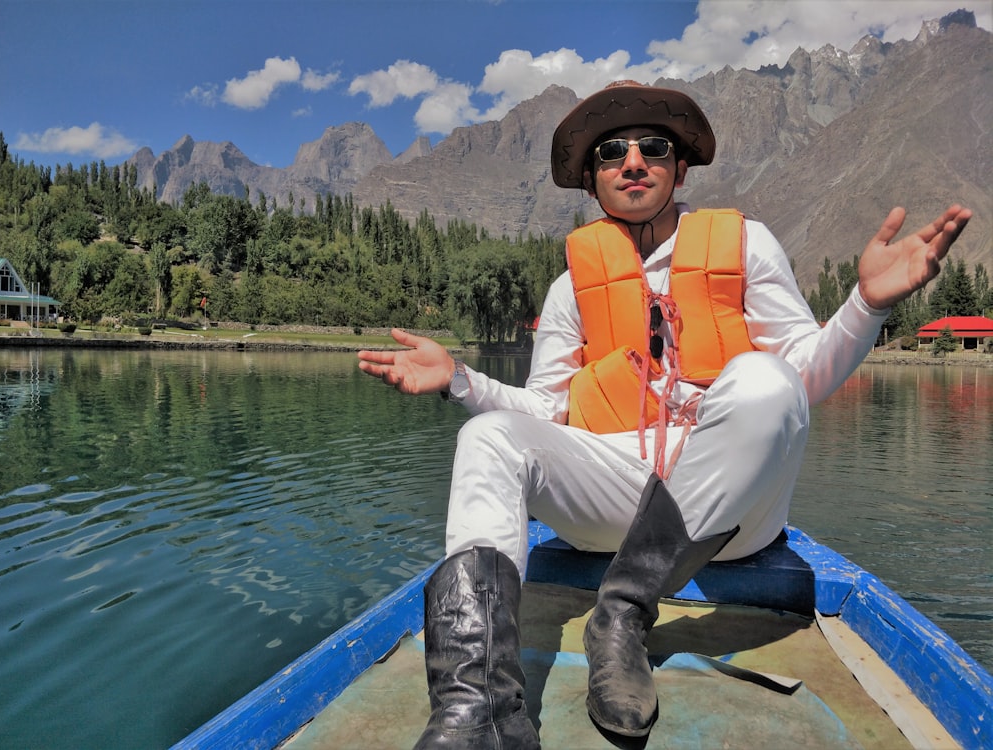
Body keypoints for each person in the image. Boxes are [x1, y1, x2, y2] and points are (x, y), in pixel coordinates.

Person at [357, 81, 972, 749]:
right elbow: (542, 409)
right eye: (610, 151)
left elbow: (805, 375)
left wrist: (866, 305)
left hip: (727, 516)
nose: (632, 160)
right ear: (592, 182)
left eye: (654, 146)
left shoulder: (746, 246)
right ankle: (475, 714)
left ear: (680, 169)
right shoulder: (571, 286)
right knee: (488, 436)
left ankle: (620, 619)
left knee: (766, 379)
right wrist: (462, 380)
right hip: (612, 499)